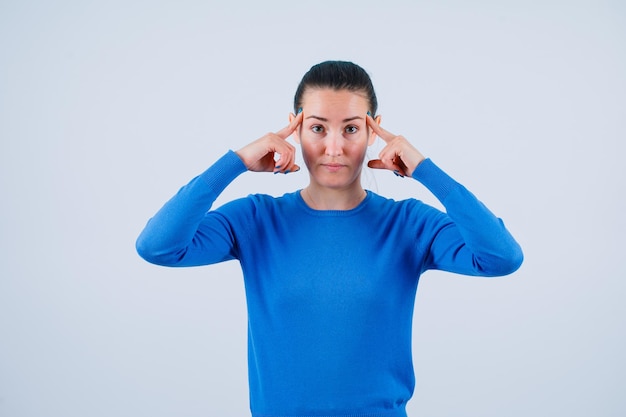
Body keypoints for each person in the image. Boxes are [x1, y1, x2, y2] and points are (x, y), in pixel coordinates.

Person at [136, 60, 523, 417]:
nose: (334, 148)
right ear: (294, 127)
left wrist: (425, 171)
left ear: (374, 130)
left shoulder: (407, 224)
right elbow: (159, 246)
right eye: (318, 128)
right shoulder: (256, 219)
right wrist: (235, 162)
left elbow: (500, 257)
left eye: (351, 129)